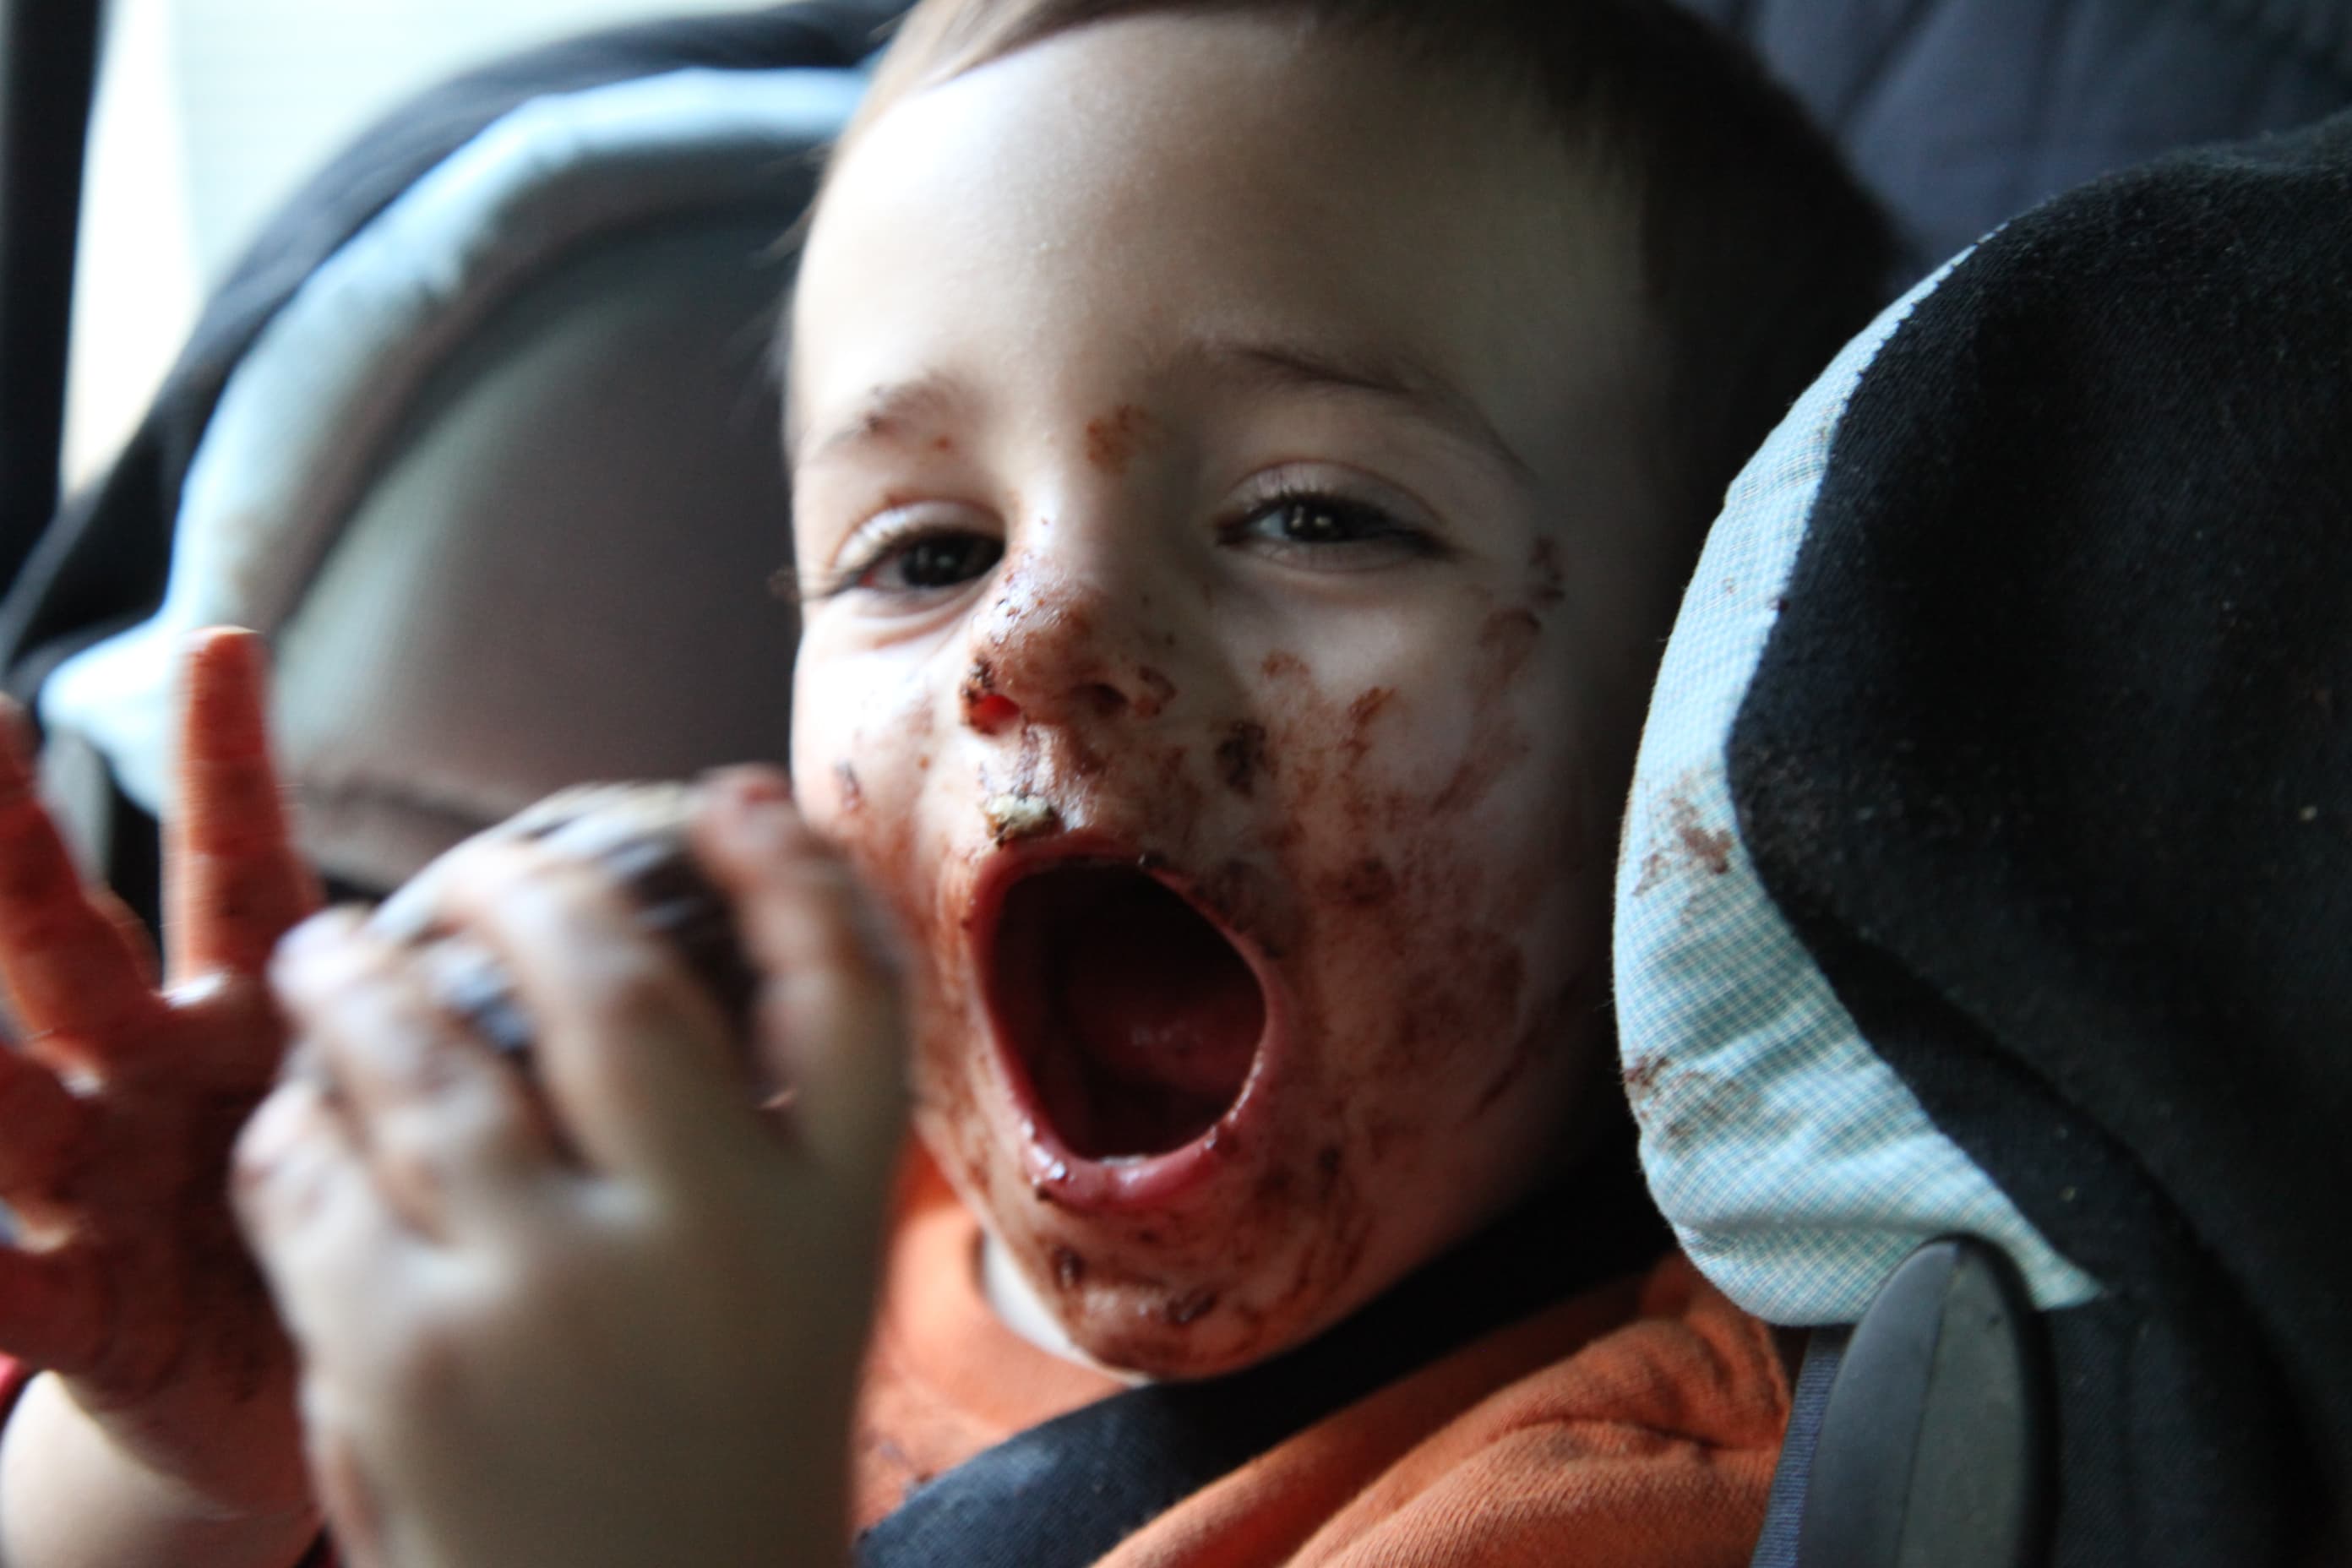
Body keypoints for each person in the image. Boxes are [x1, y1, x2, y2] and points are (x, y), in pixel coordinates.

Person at [0, 2, 1892, 1564]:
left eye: (1315, 514)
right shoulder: (689, 1194)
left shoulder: (1619, 1494)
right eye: (923, 552)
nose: (1031, 649)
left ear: (1711, 689)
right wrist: (208, 1455)